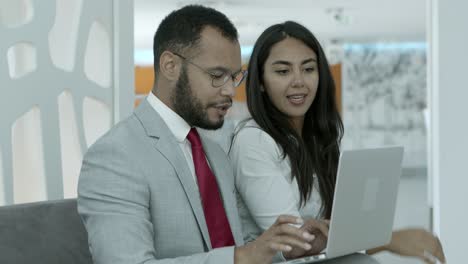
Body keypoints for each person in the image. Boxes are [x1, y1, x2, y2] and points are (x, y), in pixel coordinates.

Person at [77, 6, 327, 264]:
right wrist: (242, 257)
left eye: (234, 77)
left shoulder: (214, 153)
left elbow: (235, 248)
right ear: (170, 66)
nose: (230, 90)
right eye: (217, 76)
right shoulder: (115, 155)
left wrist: (296, 246)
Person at [229, 21, 446, 264]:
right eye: (283, 71)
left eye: (308, 69)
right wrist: (388, 239)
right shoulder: (252, 140)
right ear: (260, 82)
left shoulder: (314, 140)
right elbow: (293, 244)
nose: (299, 81)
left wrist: (343, 233)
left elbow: (327, 233)